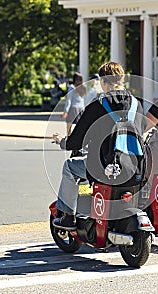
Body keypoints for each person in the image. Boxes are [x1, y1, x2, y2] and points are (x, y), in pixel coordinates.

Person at [51, 62, 146, 230]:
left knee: (69, 167)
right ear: (122, 80)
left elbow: (77, 140)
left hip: (105, 167)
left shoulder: (99, 105)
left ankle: (67, 216)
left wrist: (63, 141)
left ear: (103, 81)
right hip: (135, 167)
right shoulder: (136, 104)